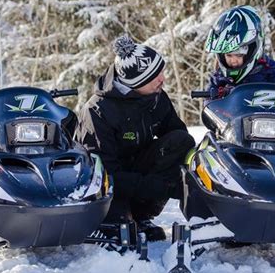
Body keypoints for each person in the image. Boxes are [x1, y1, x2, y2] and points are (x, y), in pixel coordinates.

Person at [75, 35, 195, 241]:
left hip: (137, 168)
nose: (162, 79)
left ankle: (141, 216)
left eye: (162, 72)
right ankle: (119, 218)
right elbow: (105, 173)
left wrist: (190, 177)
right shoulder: (98, 111)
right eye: (155, 77)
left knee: (180, 141)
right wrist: (156, 186)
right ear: (134, 83)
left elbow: (178, 136)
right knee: (121, 228)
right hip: (106, 185)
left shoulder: (156, 96)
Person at [205, 5, 275, 98]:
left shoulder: (268, 69)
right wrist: (215, 95)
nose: (233, 60)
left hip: (266, 115)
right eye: (229, 55)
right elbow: (209, 104)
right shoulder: (220, 77)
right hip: (231, 116)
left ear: (251, 51)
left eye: (239, 55)